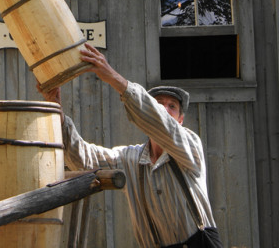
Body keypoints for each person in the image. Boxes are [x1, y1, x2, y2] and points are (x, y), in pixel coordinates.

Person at [40, 43, 223, 248]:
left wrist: (113, 77)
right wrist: (58, 113)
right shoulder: (131, 159)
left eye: (172, 106)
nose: (164, 108)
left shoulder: (190, 146)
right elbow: (83, 160)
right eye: (159, 103)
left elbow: (162, 124)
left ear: (180, 120)